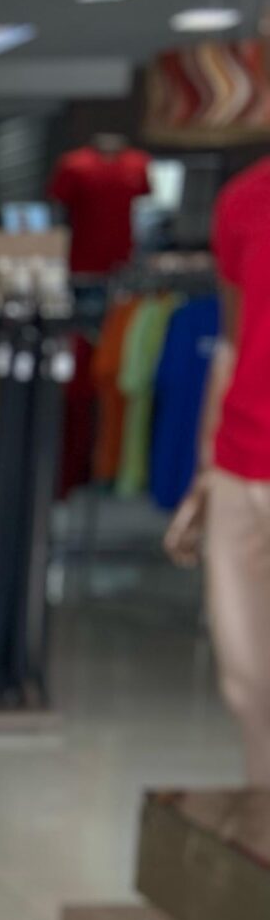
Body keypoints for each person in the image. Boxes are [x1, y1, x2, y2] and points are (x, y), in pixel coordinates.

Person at [165, 153, 270, 781]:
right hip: (237, 466)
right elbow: (233, 339)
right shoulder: (244, 200)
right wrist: (206, 470)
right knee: (245, 681)